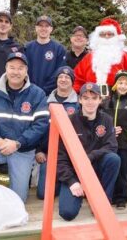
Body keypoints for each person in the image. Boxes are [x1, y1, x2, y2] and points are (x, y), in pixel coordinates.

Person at [0, 52, 49, 202]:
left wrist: (17, 143)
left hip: (23, 149)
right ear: (6, 69)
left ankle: (13, 197)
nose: (16, 72)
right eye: (12, 67)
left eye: (20, 68)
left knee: (18, 200)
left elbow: (40, 126)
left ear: (26, 71)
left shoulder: (37, 94)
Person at [58, 82, 120, 221]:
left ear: (100, 100)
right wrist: (71, 181)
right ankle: (79, 191)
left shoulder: (107, 120)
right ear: (79, 100)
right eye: (85, 98)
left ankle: (102, 202)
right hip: (75, 173)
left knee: (113, 159)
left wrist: (90, 156)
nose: (90, 102)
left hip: (96, 170)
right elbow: (60, 157)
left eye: (94, 98)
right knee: (67, 213)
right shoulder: (70, 121)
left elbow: (111, 146)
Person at [36, 66, 79, 199]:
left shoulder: (79, 103)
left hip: (71, 155)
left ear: (72, 81)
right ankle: (60, 183)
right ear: (56, 80)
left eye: (67, 77)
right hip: (49, 153)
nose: (63, 79)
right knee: (43, 194)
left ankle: (66, 181)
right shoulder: (44, 102)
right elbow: (38, 127)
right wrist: (39, 150)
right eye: (60, 77)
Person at [102, 71, 127, 209]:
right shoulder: (106, 102)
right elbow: (101, 121)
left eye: (126, 83)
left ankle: (121, 198)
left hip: (125, 143)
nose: (123, 86)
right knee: (109, 168)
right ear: (115, 84)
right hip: (108, 143)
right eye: (120, 82)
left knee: (123, 171)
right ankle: (108, 196)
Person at [74, 18, 127, 96]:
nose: (106, 37)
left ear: (116, 37)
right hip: (91, 100)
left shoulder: (126, 57)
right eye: (103, 34)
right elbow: (77, 79)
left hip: (117, 100)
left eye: (110, 34)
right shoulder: (88, 58)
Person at [25, 15, 67, 96]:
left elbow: (59, 73)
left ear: (51, 29)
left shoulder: (59, 49)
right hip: (29, 93)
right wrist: (31, 89)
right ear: (36, 28)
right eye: (40, 26)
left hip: (50, 94)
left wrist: (44, 90)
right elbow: (24, 70)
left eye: (47, 26)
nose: (43, 29)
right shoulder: (27, 48)